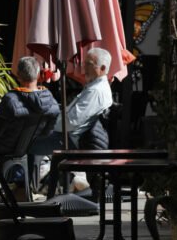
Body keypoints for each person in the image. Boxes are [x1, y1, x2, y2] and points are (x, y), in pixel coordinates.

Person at [29, 47, 115, 193]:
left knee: (26, 143)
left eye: (89, 64)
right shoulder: (96, 87)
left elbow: (70, 123)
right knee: (28, 139)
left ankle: (22, 188)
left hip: (69, 140)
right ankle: (25, 188)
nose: (84, 68)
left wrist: (47, 125)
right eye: (84, 63)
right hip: (70, 136)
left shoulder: (96, 91)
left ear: (102, 68)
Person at [0, 56, 60, 192]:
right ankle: (17, 187)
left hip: (4, 147)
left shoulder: (11, 100)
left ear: (18, 76)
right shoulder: (50, 101)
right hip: (29, 147)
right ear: (37, 75)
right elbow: (47, 131)